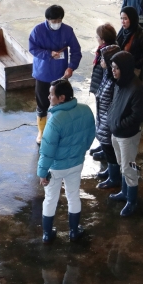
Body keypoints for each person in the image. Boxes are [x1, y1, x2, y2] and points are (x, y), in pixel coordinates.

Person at [37, 79, 95, 244]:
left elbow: (47, 151)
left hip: (56, 168)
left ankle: (47, 235)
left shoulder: (55, 120)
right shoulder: (85, 110)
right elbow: (91, 136)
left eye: (51, 94)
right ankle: (74, 232)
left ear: (61, 98)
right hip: (76, 163)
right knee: (73, 195)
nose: (49, 97)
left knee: (50, 199)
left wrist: (42, 173)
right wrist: (80, 151)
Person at [29, 5, 82, 145]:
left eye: (59, 20)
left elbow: (76, 51)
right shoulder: (38, 30)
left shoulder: (68, 31)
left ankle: (60, 130)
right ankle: (42, 131)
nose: (57, 23)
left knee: (62, 102)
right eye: (54, 20)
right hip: (43, 73)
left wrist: (71, 67)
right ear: (47, 19)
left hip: (61, 74)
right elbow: (32, 48)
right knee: (42, 103)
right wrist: (48, 54)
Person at [106, 51, 143, 217]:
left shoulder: (136, 88)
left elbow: (137, 116)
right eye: (112, 68)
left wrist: (119, 124)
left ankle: (132, 200)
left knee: (128, 167)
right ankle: (124, 192)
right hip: (116, 132)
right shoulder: (119, 83)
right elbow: (114, 104)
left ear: (125, 68)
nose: (113, 71)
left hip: (127, 135)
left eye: (116, 68)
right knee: (122, 163)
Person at [94, 45, 122, 189]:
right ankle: (111, 171)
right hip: (102, 119)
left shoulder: (114, 82)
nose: (100, 62)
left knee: (111, 151)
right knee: (107, 149)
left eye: (103, 60)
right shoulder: (106, 74)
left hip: (108, 122)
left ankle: (114, 177)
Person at [89, 23, 118, 162]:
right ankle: (103, 146)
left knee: (105, 123)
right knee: (100, 121)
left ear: (103, 39)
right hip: (102, 91)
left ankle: (108, 153)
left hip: (107, 93)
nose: (96, 38)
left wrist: (106, 67)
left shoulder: (108, 53)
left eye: (97, 36)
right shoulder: (105, 50)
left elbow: (113, 76)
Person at [117, 7, 143, 82]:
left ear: (132, 19)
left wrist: (134, 65)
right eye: (121, 18)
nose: (122, 21)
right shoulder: (122, 31)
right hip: (122, 69)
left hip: (135, 73)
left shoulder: (142, 36)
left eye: (125, 19)